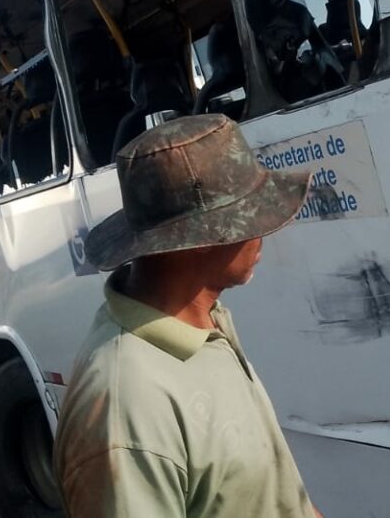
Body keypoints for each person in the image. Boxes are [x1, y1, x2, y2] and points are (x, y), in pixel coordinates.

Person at [56, 114, 322, 517]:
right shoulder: (126, 408)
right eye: (251, 215)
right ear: (198, 238)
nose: (262, 233)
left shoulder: (205, 322)